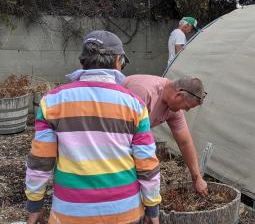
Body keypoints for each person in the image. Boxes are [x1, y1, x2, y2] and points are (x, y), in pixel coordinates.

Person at [25, 30, 161, 224]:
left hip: (70, 214)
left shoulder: (52, 102)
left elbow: (40, 162)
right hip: (124, 212)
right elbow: (146, 163)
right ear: (117, 62)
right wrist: (152, 209)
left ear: (84, 62)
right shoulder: (135, 105)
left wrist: (34, 205)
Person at [123, 75, 208, 196]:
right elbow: (123, 134)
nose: (186, 110)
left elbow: (185, 142)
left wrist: (197, 178)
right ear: (178, 95)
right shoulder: (144, 92)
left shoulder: (173, 108)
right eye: (187, 107)